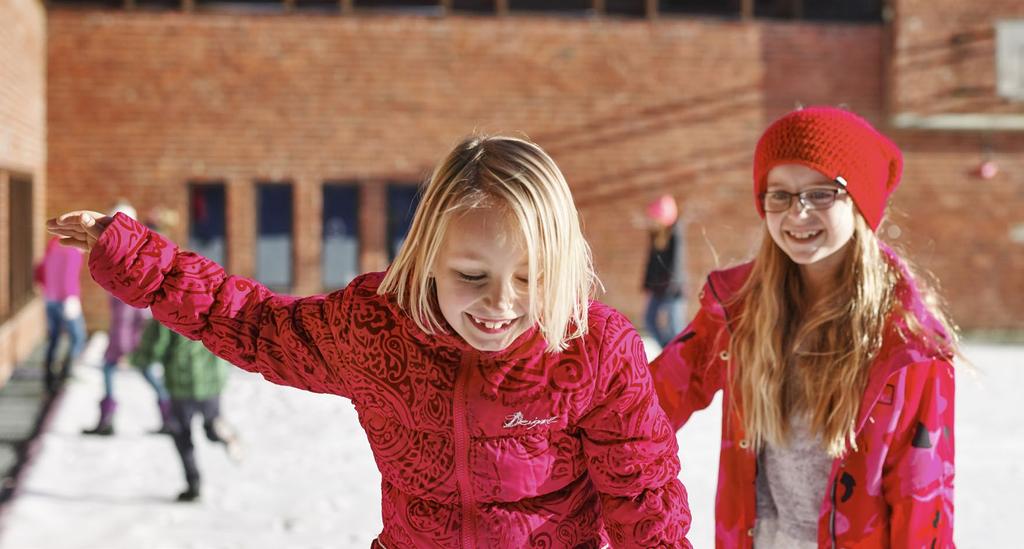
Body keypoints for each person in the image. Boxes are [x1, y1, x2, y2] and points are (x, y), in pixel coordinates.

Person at [47, 135, 693, 547]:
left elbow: (646, 508)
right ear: (428, 256)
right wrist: (139, 259)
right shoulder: (376, 328)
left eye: (531, 277)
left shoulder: (595, 350)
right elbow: (254, 325)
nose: (502, 302)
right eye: (473, 275)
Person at [649, 107, 957, 548]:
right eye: (781, 195)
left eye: (821, 193)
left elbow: (923, 502)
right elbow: (648, 402)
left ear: (860, 203)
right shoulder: (738, 311)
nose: (798, 213)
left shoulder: (908, 345)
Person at [83, 202, 173, 436]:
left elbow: (129, 307)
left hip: (129, 334)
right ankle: (168, 414)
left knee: (116, 369)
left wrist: (123, 346)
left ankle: (109, 418)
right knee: (141, 372)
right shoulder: (129, 252)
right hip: (132, 331)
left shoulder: (124, 258)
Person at [130, 318, 241, 502]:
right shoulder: (213, 301)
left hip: (180, 384)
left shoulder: (167, 310)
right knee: (211, 426)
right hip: (211, 382)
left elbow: (156, 347)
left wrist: (137, 359)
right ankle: (223, 434)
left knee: (181, 435)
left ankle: (194, 484)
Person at [34, 235, 87, 394]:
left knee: (54, 338)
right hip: (66, 299)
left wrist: (49, 289)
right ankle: (66, 373)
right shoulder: (72, 250)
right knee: (78, 336)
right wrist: (70, 297)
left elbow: (39, 271)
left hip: (49, 299)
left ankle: (49, 378)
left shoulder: (51, 247)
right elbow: (68, 275)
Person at [642, 194, 686, 348]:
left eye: (656, 217)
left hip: (672, 289)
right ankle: (668, 349)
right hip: (656, 287)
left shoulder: (674, 235)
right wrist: (646, 283)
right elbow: (651, 262)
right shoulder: (655, 235)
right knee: (649, 319)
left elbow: (677, 262)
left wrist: (672, 285)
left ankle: (678, 352)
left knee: (674, 325)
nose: (653, 221)